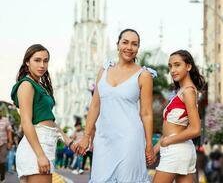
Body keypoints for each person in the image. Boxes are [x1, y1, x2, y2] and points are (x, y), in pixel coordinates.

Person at [76, 29, 156, 182]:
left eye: (134, 44)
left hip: (130, 138)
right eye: (125, 42)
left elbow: (146, 113)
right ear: (118, 44)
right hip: (104, 139)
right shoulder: (104, 71)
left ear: (138, 48)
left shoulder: (144, 75)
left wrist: (149, 144)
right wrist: (86, 136)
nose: (129, 47)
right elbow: (95, 106)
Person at [10, 44, 77, 183]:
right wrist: (40, 155)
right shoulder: (27, 85)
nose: (42, 65)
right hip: (36, 146)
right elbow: (26, 122)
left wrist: (68, 141)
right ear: (27, 62)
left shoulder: (39, 85)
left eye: (45, 61)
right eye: (37, 60)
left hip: (45, 143)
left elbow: (48, 119)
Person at [152, 50, 203, 183]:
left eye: (177, 65)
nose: (173, 70)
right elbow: (170, 130)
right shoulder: (181, 92)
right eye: (170, 66)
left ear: (188, 66)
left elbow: (196, 129)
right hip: (180, 149)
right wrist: (155, 149)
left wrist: (168, 141)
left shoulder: (188, 92)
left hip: (176, 150)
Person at [0, 110, 13, 182]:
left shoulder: (5, 120)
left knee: (2, 161)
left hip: (3, 143)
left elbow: (9, 131)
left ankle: (2, 178)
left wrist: (10, 142)